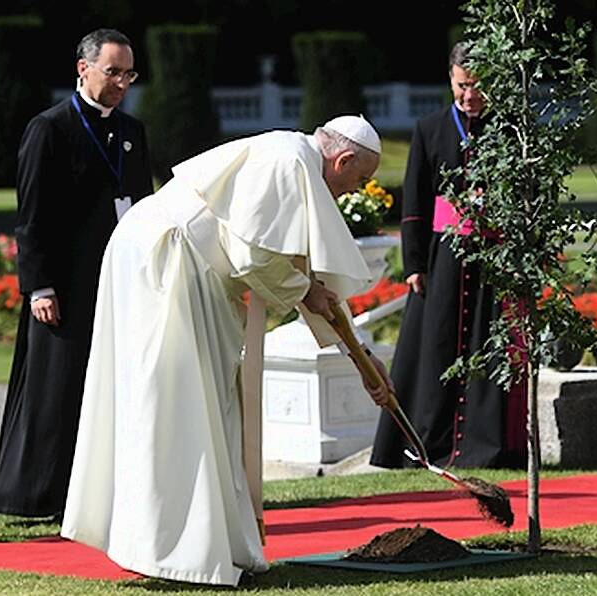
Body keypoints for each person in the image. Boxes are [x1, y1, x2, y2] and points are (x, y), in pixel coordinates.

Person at [60, 115, 391, 586]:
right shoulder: (289, 161)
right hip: (167, 265)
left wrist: (360, 355)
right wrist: (304, 292)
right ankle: (172, 552)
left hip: (172, 264)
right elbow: (256, 257)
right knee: (175, 407)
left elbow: (298, 273)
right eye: (359, 179)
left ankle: (209, 546)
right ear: (343, 159)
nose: (353, 191)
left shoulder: (294, 158)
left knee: (204, 407)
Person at [0, 29, 153, 518]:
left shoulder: (131, 132)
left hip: (115, 284)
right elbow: (32, 216)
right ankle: (38, 496)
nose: (122, 82)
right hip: (63, 285)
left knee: (107, 387)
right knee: (56, 391)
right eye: (113, 71)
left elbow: (142, 209)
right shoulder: (50, 128)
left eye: (129, 73)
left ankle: (99, 493)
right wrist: (39, 285)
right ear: (84, 69)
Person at [370, 42, 527, 470]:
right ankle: (427, 445)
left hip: (494, 257)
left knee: (488, 346)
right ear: (450, 79)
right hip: (444, 258)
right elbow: (416, 203)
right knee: (434, 348)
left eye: (476, 86)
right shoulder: (430, 127)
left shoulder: (511, 129)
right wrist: (415, 263)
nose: (469, 95)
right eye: (462, 86)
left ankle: (486, 446)